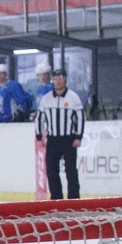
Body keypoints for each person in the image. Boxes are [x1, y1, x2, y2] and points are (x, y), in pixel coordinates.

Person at [35, 67, 85, 201]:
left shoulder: (73, 98)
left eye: (60, 78)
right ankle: (56, 198)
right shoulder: (46, 99)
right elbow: (40, 118)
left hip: (68, 139)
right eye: (55, 79)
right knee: (51, 171)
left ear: (66, 79)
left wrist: (78, 137)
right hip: (52, 139)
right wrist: (39, 137)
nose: (58, 81)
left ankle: (74, 199)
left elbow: (80, 117)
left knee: (71, 171)